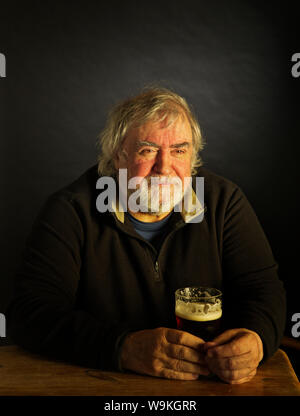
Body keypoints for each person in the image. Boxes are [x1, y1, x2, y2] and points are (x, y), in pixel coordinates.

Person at [7, 87, 286, 384]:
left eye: (179, 150)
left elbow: (264, 291)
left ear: (193, 157)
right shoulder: (72, 210)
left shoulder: (224, 202)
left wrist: (256, 339)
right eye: (147, 150)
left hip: (208, 384)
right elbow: (30, 313)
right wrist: (122, 347)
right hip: (103, 385)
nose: (164, 167)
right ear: (118, 156)